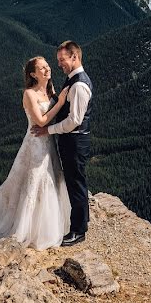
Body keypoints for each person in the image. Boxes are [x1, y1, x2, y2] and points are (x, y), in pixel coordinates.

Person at [0, 56, 71, 249]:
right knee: (34, 182)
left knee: (50, 180)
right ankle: (26, 228)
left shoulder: (50, 90)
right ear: (33, 74)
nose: (47, 70)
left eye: (47, 66)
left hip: (49, 143)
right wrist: (59, 103)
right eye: (42, 68)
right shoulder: (29, 94)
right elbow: (41, 121)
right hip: (35, 145)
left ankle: (46, 226)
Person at [31, 40, 92, 247]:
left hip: (75, 140)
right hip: (71, 141)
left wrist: (48, 130)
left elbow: (74, 121)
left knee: (76, 184)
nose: (59, 64)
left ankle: (78, 230)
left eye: (62, 59)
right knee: (74, 182)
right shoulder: (71, 80)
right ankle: (81, 221)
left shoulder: (80, 85)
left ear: (74, 57)